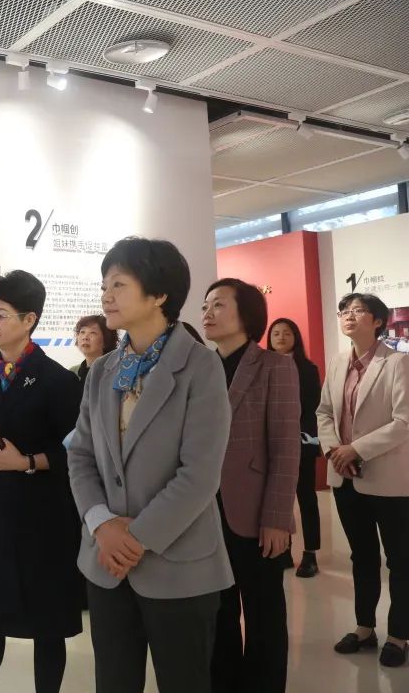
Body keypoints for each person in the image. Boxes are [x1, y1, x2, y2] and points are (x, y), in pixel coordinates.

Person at [68, 237, 233, 693]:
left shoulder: (200, 367)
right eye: (104, 285)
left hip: (179, 565)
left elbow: (199, 474)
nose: (106, 295)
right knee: (114, 682)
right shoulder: (102, 370)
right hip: (105, 564)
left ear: (159, 294)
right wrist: (102, 524)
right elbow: (80, 455)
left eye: (118, 284)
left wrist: (134, 538)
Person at [0, 270, 83, 693]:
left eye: (2, 315)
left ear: (30, 320)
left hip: (43, 516)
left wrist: (26, 461)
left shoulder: (59, 381)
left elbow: (76, 452)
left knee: (48, 625)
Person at [203, 279, 299, 693]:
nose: (207, 313)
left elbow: (285, 448)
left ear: (247, 314)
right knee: (218, 611)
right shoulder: (202, 369)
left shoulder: (274, 366)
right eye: (205, 306)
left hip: (256, 514)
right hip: (204, 513)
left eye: (218, 305)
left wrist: (277, 519)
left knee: (264, 614)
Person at [318, 293, 409, 668]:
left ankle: (399, 634)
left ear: (378, 321)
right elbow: (324, 412)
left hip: (389, 480)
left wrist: (355, 449)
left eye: (358, 311)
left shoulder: (398, 362)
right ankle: (364, 627)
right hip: (345, 477)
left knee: (400, 559)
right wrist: (334, 451)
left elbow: (404, 421)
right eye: (344, 311)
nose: (348, 316)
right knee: (362, 556)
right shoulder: (337, 362)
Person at [267, 317, 323, 578]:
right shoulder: (263, 367)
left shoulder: (307, 369)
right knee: (280, 498)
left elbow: (313, 408)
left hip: (301, 442)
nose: (280, 337)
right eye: (276, 333)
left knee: (306, 497)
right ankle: (284, 549)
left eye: (286, 333)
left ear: (295, 338)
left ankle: (310, 554)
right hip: (271, 444)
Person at [70, 314, 119, 383]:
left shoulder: (116, 372)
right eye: (82, 332)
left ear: (106, 340)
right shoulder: (73, 372)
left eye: (93, 333)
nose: (85, 337)